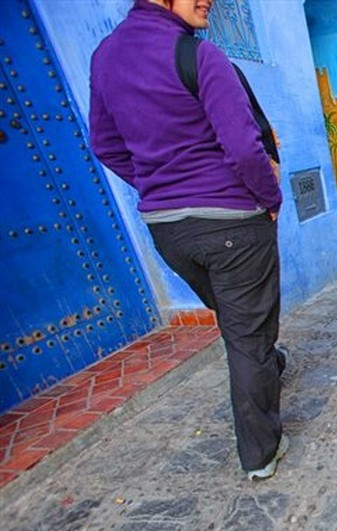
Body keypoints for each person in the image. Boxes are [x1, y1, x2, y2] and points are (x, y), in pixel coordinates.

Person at [89, 0, 289, 481]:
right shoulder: (200, 56)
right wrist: (270, 197)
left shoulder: (105, 57)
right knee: (245, 337)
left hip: (169, 229)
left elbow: (105, 145)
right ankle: (261, 453)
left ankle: (270, 363)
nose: (210, 1)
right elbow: (243, 146)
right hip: (233, 223)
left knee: (238, 318)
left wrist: (161, 188)